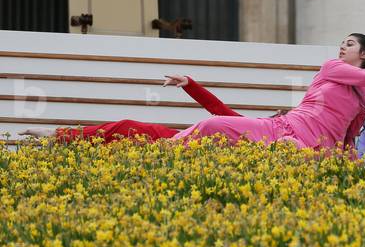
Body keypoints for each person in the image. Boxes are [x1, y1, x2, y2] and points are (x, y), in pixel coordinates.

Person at [171, 34, 365, 150]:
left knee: (289, 150)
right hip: (284, 127)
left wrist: (348, 166)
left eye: (349, 44)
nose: (341, 46)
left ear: (364, 54)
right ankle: (167, 147)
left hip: (317, 148)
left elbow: (349, 136)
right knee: (210, 126)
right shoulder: (332, 68)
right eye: (341, 42)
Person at [19, 74, 248, 143]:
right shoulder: (252, 127)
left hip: (182, 149)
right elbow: (218, 108)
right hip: (176, 139)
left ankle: (58, 137)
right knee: (124, 128)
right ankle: (59, 136)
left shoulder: (263, 141)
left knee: (124, 132)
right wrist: (190, 84)